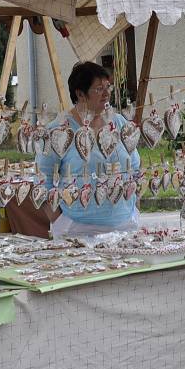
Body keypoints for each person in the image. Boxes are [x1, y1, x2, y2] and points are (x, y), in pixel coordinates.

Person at [36, 61, 140, 237]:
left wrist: (134, 209)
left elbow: (135, 169)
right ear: (80, 94)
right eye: (99, 89)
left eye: (108, 87)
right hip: (77, 230)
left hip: (125, 227)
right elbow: (41, 180)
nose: (107, 94)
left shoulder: (120, 123)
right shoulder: (59, 131)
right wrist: (60, 221)